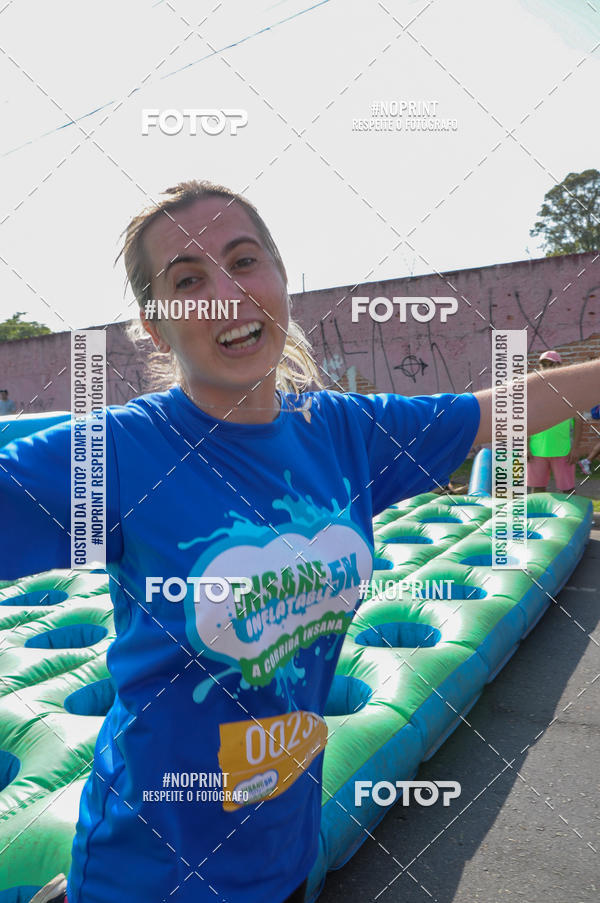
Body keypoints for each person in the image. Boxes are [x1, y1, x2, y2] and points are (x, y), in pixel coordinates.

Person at [3, 181, 600, 903]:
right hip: (150, 877)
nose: (227, 293)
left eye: (244, 260)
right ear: (155, 327)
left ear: (283, 280)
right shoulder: (126, 454)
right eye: (188, 279)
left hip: (285, 861)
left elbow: (495, 412)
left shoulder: (342, 433)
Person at [527, 350, 583, 494]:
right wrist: (525, 447)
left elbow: (578, 420)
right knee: (537, 490)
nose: (547, 368)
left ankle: (574, 517)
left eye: (551, 364)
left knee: (568, 490)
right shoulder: (533, 390)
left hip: (562, 450)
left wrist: (575, 448)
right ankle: (537, 517)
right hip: (536, 450)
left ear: (559, 366)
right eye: (544, 365)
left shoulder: (570, 390)